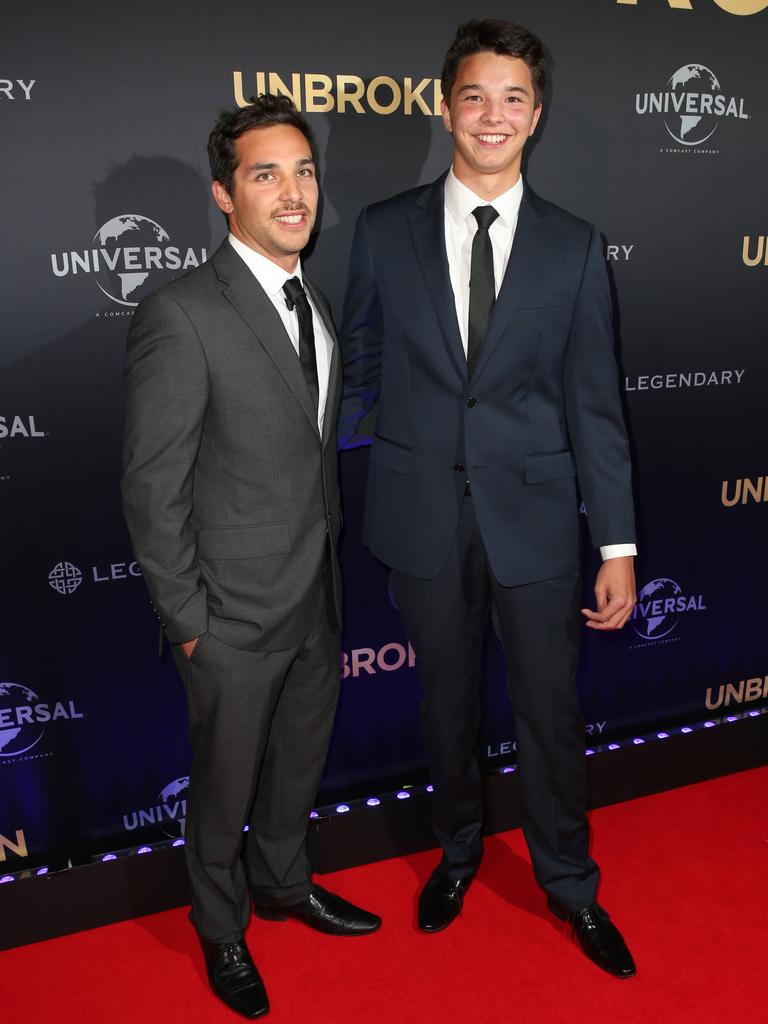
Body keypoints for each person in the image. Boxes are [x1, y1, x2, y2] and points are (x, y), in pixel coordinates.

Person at [339, 20, 637, 978]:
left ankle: (570, 885)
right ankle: (457, 854)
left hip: (539, 521)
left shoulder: (577, 247)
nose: (492, 115)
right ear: (444, 107)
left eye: (513, 98)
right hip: (422, 516)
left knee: (551, 712)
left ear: (536, 114)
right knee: (445, 707)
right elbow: (363, 365)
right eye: (474, 95)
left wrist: (618, 544)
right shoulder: (384, 229)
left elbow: (596, 403)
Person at [122, 94, 380, 1021]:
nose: (293, 191)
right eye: (266, 174)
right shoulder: (182, 314)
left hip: (316, 596)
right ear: (225, 196)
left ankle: (283, 883)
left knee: (297, 764)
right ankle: (222, 929)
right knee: (223, 784)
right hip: (229, 616)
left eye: (303, 170)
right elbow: (152, 486)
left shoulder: (311, 296)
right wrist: (190, 625)